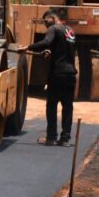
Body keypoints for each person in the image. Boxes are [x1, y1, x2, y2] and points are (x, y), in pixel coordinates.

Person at [28, 10, 77, 146]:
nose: (45, 25)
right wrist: (50, 51)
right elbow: (63, 50)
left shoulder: (54, 28)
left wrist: (28, 47)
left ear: (52, 18)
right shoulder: (70, 31)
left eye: (45, 21)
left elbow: (46, 42)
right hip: (71, 74)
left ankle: (51, 138)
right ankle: (65, 139)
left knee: (52, 106)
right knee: (68, 107)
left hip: (57, 74)